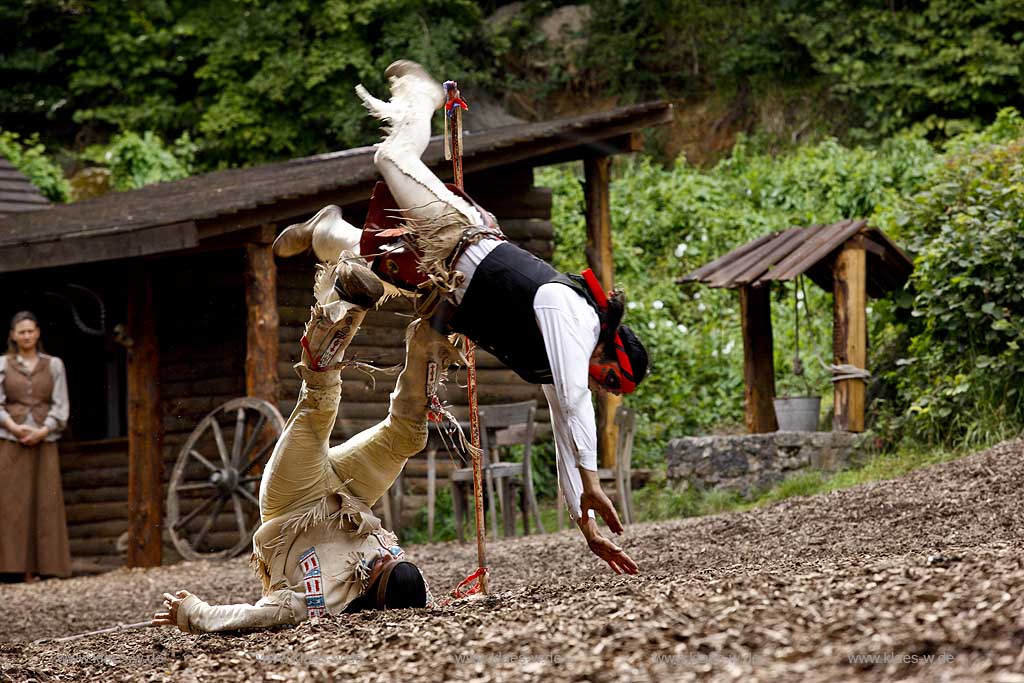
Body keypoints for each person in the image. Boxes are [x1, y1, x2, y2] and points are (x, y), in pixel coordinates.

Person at [273, 61, 648, 575]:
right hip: (456, 233)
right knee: (390, 156)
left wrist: (583, 522)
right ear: (609, 352)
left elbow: (566, 430)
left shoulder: (561, 365)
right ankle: (422, 95)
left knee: (375, 265)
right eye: (609, 380)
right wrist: (593, 480)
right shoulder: (576, 316)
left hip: (439, 289)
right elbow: (577, 401)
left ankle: (326, 233)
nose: (599, 387)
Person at [153, 257, 458, 632]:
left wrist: (192, 612)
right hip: (350, 495)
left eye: (383, 566)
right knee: (408, 436)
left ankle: (343, 304)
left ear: (376, 591)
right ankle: (435, 330)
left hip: (292, 501)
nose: (383, 557)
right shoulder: (411, 586)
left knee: (316, 407)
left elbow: (252, 615)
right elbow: (438, 599)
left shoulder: (316, 604)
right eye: (390, 560)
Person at [0, 311, 71, 582]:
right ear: (13, 335)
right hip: (11, 440)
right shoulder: (3, 365)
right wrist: (14, 427)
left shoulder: (53, 365)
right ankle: (13, 569)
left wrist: (44, 430)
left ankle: (47, 567)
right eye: (21, 332)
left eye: (30, 331)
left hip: (45, 439)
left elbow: (61, 404)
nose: (26, 336)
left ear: (38, 333)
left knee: (46, 502)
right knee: (11, 504)